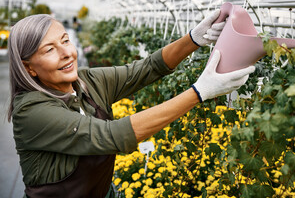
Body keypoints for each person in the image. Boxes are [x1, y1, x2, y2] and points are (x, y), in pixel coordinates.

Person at [7, 11, 255, 198]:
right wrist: (199, 92)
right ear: (28, 67)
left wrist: (193, 39)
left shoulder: (86, 81)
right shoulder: (31, 111)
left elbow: (146, 68)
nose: (66, 53)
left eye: (65, 41)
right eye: (50, 49)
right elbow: (112, 135)